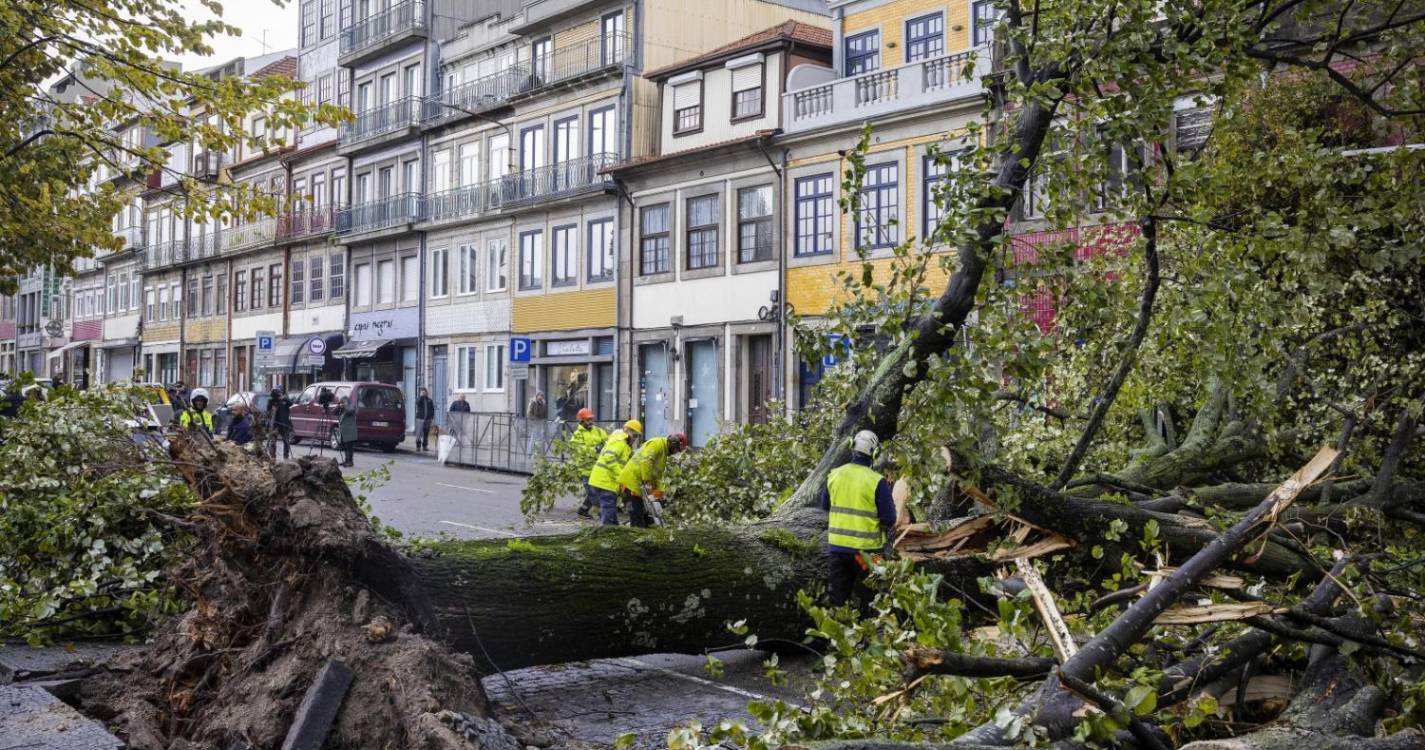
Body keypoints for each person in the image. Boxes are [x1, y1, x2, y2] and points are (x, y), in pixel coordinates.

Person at [820, 430, 897, 609]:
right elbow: (889, 519)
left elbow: (824, 505)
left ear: (851, 447)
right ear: (875, 453)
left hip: (838, 550)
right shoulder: (877, 481)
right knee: (872, 601)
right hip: (869, 554)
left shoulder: (833, 475)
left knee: (837, 602)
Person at [616, 432, 687, 528]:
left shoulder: (663, 454)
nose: (675, 452)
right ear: (673, 443)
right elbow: (646, 462)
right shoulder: (657, 443)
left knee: (647, 519)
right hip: (629, 484)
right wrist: (647, 482)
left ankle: (635, 530)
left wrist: (661, 493)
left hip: (637, 487)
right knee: (636, 519)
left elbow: (657, 477)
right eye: (676, 450)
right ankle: (632, 533)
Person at [588, 419, 642, 525]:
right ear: (627, 431)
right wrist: (622, 476)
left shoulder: (623, 444)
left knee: (610, 510)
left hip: (605, 480)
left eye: (637, 437)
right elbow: (610, 458)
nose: (635, 439)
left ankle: (613, 529)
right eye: (634, 435)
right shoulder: (620, 441)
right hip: (605, 481)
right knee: (608, 511)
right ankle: (607, 532)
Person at [572, 408, 609, 518]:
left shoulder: (598, 431)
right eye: (588, 420)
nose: (591, 422)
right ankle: (603, 512)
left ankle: (582, 510)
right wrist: (595, 449)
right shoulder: (577, 434)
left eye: (591, 419)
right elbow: (579, 449)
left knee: (593, 491)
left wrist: (605, 445)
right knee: (593, 492)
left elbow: (607, 441)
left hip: (598, 467)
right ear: (581, 421)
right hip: (585, 469)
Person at [266, 387, 293, 459]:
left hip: (284, 423)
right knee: (273, 440)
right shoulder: (271, 401)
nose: (277, 397)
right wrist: (272, 406)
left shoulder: (284, 400)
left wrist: (284, 398)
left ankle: (286, 456)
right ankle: (273, 456)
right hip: (275, 423)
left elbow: (291, 404)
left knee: (286, 440)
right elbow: (268, 410)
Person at [336, 396, 357, 467]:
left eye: (343, 401)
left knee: (349, 446)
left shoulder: (351, 406)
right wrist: (338, 406)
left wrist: (344, 405)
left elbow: (349, 411)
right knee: (344, 446)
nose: (342, 403)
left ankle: (350, 462)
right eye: (341, 401)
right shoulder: (342, 407)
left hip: (350, 429)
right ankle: (346, 460)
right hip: (343, 429)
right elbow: (334, 412)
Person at [526, 391, 549, 457]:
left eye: (542, 395)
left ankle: (540, 453)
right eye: (540, 395)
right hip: (535, 423)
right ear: (537, 396)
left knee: (541, 438)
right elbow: (529, 414)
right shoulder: (533, 402)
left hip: (541, 423)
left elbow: (545, 414)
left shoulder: (543, 403)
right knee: (534, 438)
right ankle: (530, 453)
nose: (541, 397)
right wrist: (534, 418)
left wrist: (545, 420)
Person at [414, 387, 436, 451]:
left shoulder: (429, 400)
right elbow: (418, 403)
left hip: (428, 419)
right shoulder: (419, 399)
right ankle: (418, 446)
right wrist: (421, 397)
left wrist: (432, 417)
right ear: (420, 393)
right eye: (422, 392)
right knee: (419, 433)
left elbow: (432, 409)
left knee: (426, 433)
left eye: (425, 392)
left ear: (427, 392)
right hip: (420, 419)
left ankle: (425, 446)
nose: (424, 393)